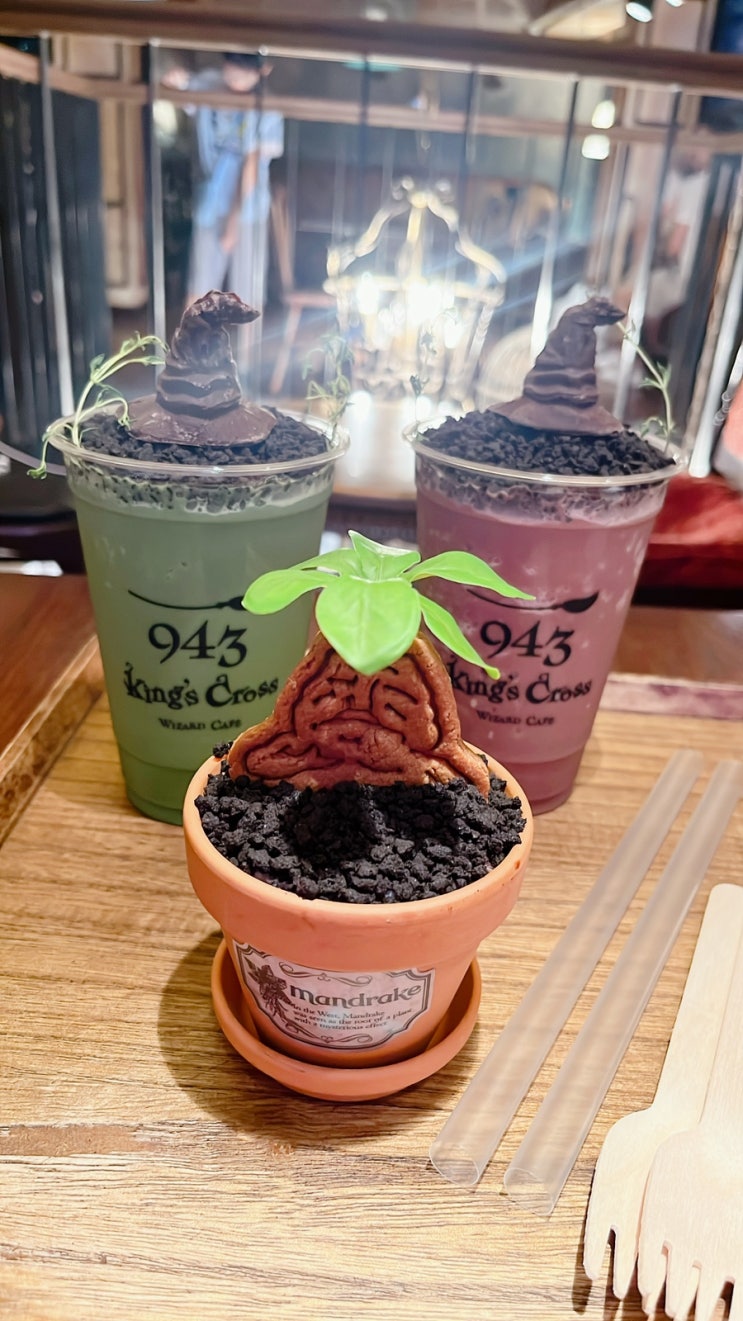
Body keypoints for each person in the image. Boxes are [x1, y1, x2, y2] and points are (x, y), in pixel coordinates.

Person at [165, 52, 284, 314]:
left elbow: (252, 165)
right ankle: (192, 340)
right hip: (210, 200)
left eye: (244, 69)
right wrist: (173, 80)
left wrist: (234, 219)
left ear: (263, 70)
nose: (235, 74)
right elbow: (179, 88)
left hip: (249, 207)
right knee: (200, 286)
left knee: (247, 291)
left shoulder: (268, 109)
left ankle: (246, 343)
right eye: (231, 66)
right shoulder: (208, 83)